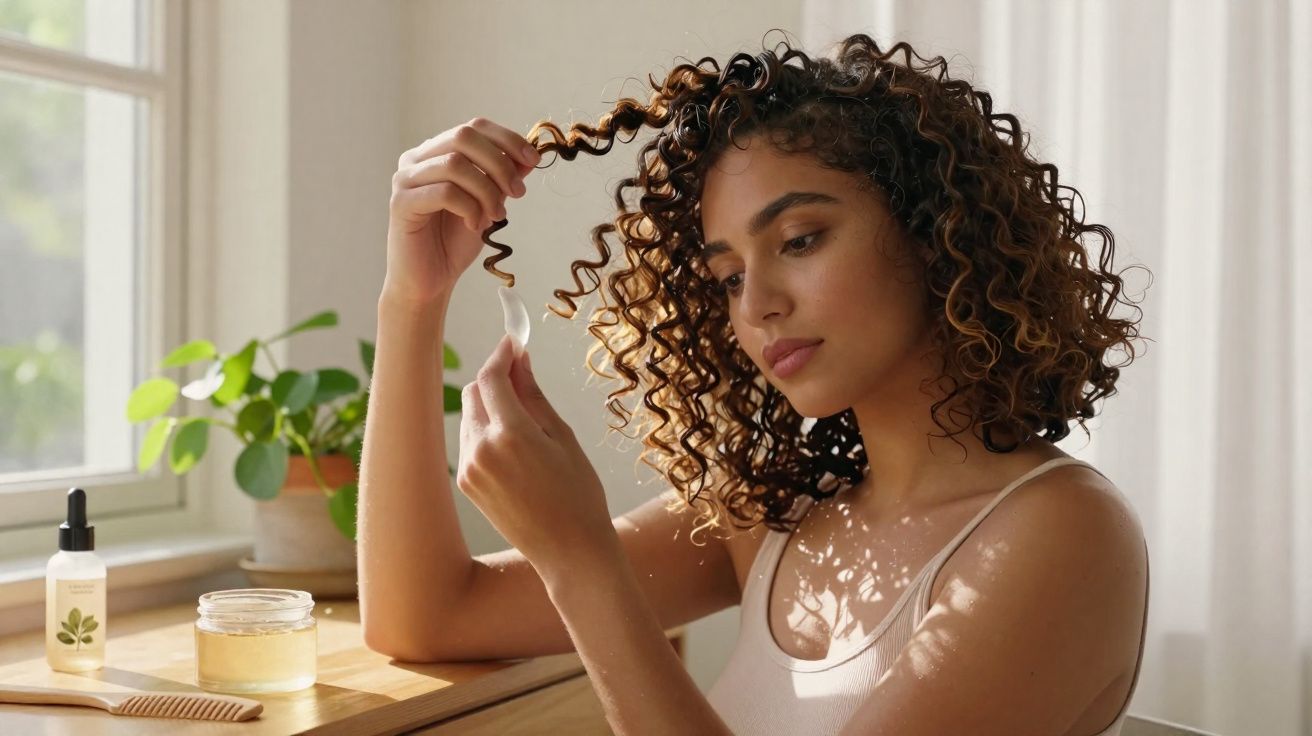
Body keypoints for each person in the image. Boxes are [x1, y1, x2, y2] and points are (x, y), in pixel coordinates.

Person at [358, 30, 1150, 736]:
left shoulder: (1062, 532)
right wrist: (412, 301)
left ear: (934, 229)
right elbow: (423, 617)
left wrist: (581, 561)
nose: (758, 304)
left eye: (800, 240)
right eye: (728, 276)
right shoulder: (778, 516)